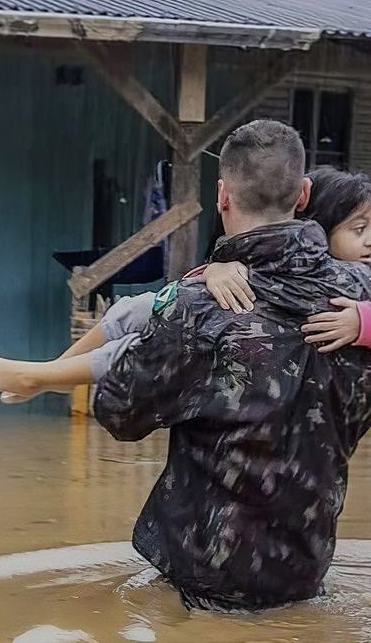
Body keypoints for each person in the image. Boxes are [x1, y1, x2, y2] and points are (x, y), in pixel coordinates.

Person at [93, 120, 371, 610]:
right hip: (308, 566)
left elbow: (118, 413)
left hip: (206, 576)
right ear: (304, 193)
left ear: (222, 195)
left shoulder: (199, 309)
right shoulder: (360, 295)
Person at [0, 167, 371, 401]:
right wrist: (214, 269)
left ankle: (41, 379)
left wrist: (362, 323)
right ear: (314, 227)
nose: (370, 240)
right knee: (136, 308)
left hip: (264, 364)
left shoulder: (356, 285)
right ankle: (50, 374)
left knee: (147, 344)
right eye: (360, 228)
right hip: (252, 346)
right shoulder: (290, 261)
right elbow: (231, 276)